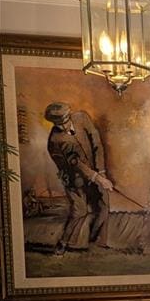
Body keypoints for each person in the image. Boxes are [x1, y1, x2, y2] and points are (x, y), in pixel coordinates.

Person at [44, 102, 114, 255]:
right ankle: (63, 243)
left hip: (95, 172)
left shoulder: (82, 118)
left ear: (70, 115)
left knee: (103, 205)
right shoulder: (55, 142)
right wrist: (98, 178)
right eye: (58, 125)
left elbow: (96, 143)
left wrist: (101, 171)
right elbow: (75, 163)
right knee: (79, 212)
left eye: (65, 121)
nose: (63, 127)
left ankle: (97, 243)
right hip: (73, 179)